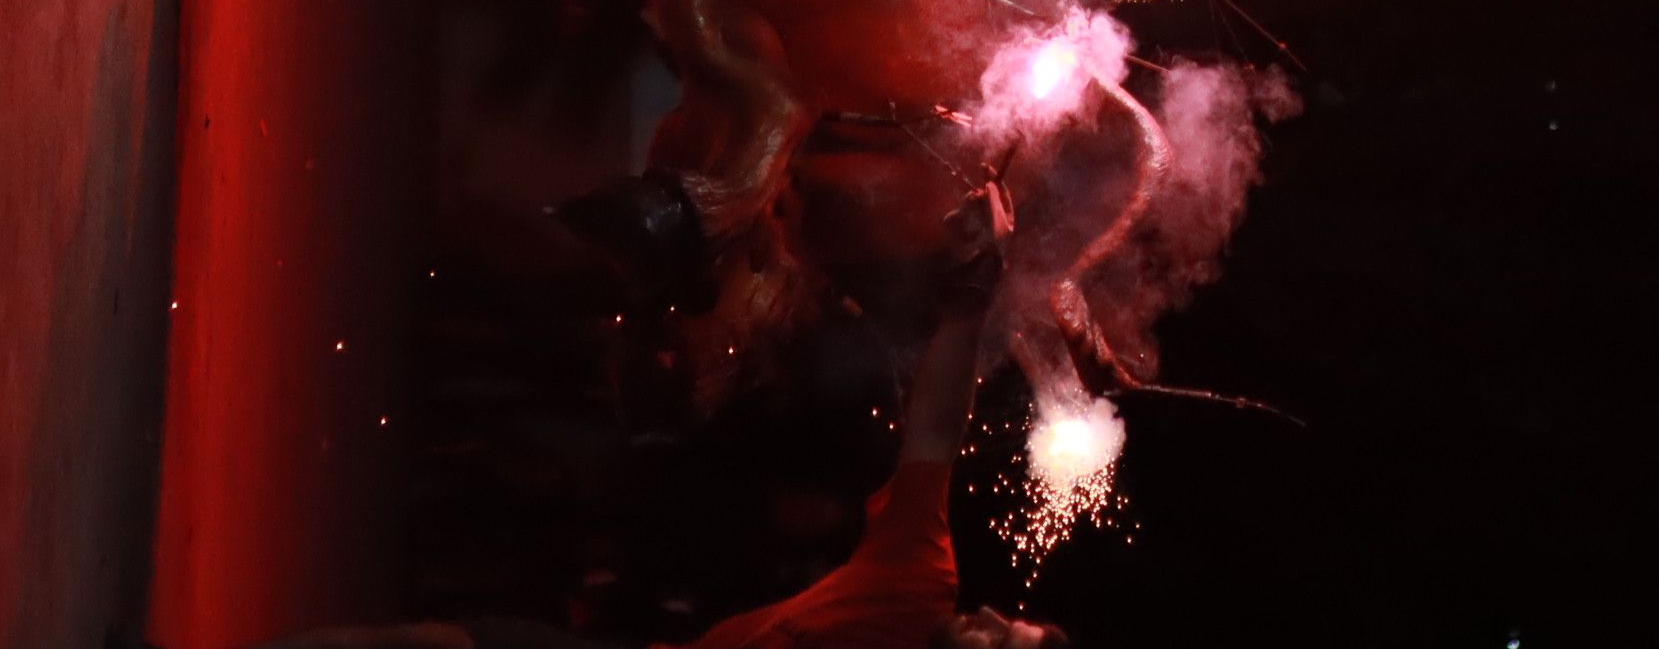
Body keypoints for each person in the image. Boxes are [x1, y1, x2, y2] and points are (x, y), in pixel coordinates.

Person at [239, 228, 1066, 649]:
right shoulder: (919, 582)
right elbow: (934, 430)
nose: (991, 617)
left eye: (1003, 641)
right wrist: (968, 298)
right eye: (1010, 621)